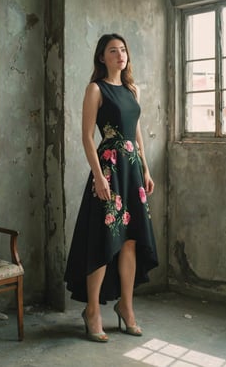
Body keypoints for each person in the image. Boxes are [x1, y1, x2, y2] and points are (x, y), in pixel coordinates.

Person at [64, 33, 158, 342]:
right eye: (112, 50)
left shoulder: (133, 89)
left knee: (130, 241)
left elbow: (137, 131)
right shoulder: (96, 89)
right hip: (108, 171)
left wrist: (145, 167)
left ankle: (126, 308)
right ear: (102, 57)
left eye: (123, 50)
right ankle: (92, 310)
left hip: (131, 172)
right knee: (105, 240)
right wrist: (99, 177)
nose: (120, 54)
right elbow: (86, 137)